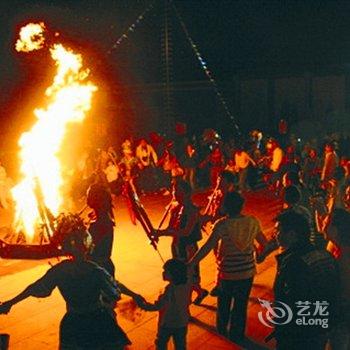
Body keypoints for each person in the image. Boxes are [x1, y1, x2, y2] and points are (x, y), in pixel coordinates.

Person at [0, 215, 141, 349]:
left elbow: (34, 288)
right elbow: (115, 287)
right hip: (98, 320)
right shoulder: (94, 269)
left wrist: (10, 303)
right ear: (87, 245)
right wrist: (134, 295)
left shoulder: (60, 270)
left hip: (73, 323)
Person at [189, 192, 267, 342]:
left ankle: (222, 330)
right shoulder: (252, 222)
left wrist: (191, 263)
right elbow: (263, 243)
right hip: (247, 272)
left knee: (224, 302)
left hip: (228, 273)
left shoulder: (222, 225)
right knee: (241, 304)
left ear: (224, 207)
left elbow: (207, 247)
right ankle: (237, 334)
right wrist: (257, 252)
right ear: (242, 206)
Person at [273, 211, 339, 349]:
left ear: (292, 234)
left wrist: (282, 328)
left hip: (298, 334)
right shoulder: (325, 255)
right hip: (321, 326)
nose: (275, 234)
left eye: (278, 230)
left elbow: (290, 299)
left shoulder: (293, 262)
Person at [156, 180, 208, 305]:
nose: (175, 194)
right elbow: (170, 227)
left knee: (189, 277)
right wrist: (156, 232)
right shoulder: (174, 208)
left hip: (188, 248)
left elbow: (186, 232)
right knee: (180, 275)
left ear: (187, 193)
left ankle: (186, 307)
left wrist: (163, 233)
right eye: (174, 191)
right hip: (176, 245)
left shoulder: (192, 210)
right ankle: (200, 292)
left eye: (179, 191)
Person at [135, 259, 192, 350]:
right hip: (182, 322)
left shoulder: (169, 290)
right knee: (180, 345)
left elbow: (158, 306)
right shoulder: (187, 283)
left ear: (174, 275)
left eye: (166, 271)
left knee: (161, 343)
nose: (163, 273)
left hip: (168, 323)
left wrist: (143, 305)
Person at [325, 208, 350, 349]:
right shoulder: (332, 246)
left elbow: (344, 291)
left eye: (329, 222)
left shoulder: (345, 255)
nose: (324, 224)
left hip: (342, 312)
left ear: (338, 229)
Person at [87, 183, 116, 276]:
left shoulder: (99, 224)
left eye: (88, 194)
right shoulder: (103, 214)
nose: (86, 196)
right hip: (105, 265)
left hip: (100, 269)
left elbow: (89, 248)